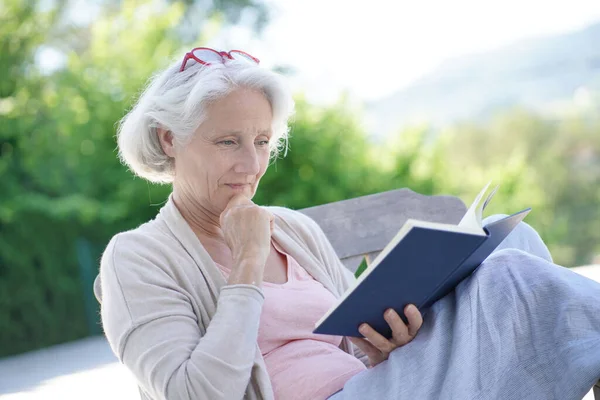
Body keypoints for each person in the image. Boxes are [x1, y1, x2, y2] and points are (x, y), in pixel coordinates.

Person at [93, 47, 600, 400]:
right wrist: (246, 260)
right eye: (228, 142)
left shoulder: (293, 229)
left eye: (263, 141)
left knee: (517, 242)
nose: (251, 165)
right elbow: (195, 394)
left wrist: (381, 349)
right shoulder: (137, 257)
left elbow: (354, 353)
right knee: (514, 279)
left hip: (377, 386)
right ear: (168, 140)